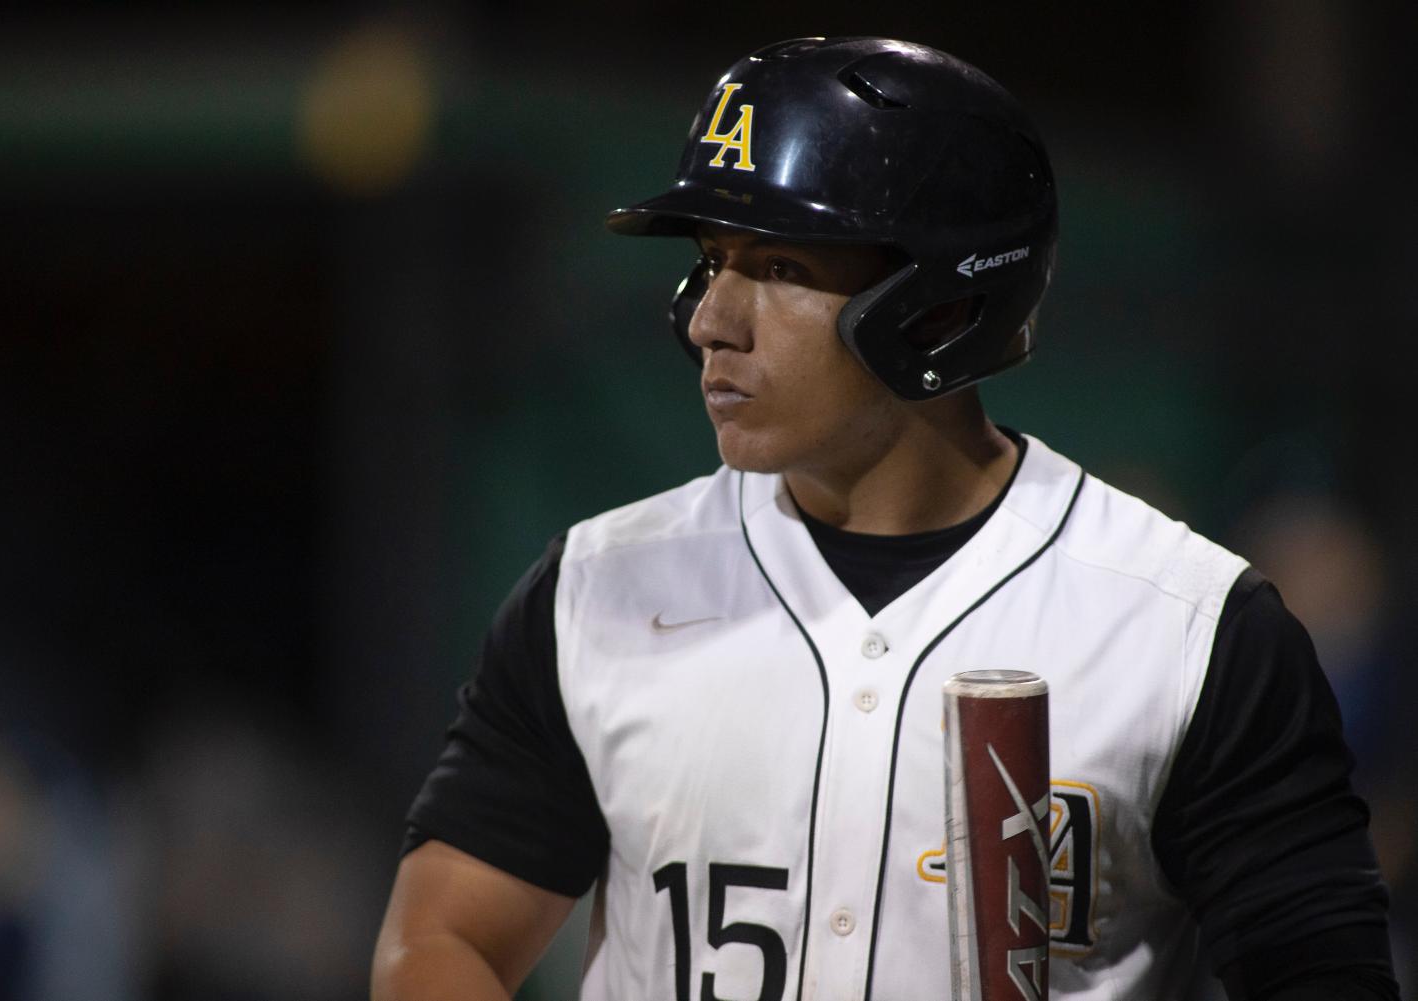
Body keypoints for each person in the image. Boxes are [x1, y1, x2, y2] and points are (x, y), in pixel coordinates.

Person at [371, 37, 1399, 1001]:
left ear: (940, 309)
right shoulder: (598, 586)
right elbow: (439, 936)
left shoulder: (1186, 627)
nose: (708, 319)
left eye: (779, 268)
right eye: (712, 259)